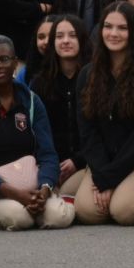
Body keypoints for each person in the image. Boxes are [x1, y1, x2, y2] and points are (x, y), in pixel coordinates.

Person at [0, 35, 74, 231]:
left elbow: (48, 154)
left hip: (32, 186)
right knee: (20, 216)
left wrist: (44, 189)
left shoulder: (31, 101)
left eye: (4, 59)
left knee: (58, 216)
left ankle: (49, 201)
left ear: (15, 63)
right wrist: (13, 193)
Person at [74, 3, 134, 225]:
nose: (113, 33)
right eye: (108, 26)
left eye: (122, 28)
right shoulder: (88, 74)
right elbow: (88, 132)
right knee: (88, 212)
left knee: (123, 211)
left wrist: (110, 178)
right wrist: (102, 174)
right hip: (105, 160)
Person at [31, 15, 90, 196]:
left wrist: (78, 160)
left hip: (88, 161)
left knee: (66, 193)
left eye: (72, 35)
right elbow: (37, 132)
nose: (65, 41)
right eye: (59, 36)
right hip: (51, 163)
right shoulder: (40, 83)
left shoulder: (95, 78)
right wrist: (50, 164)